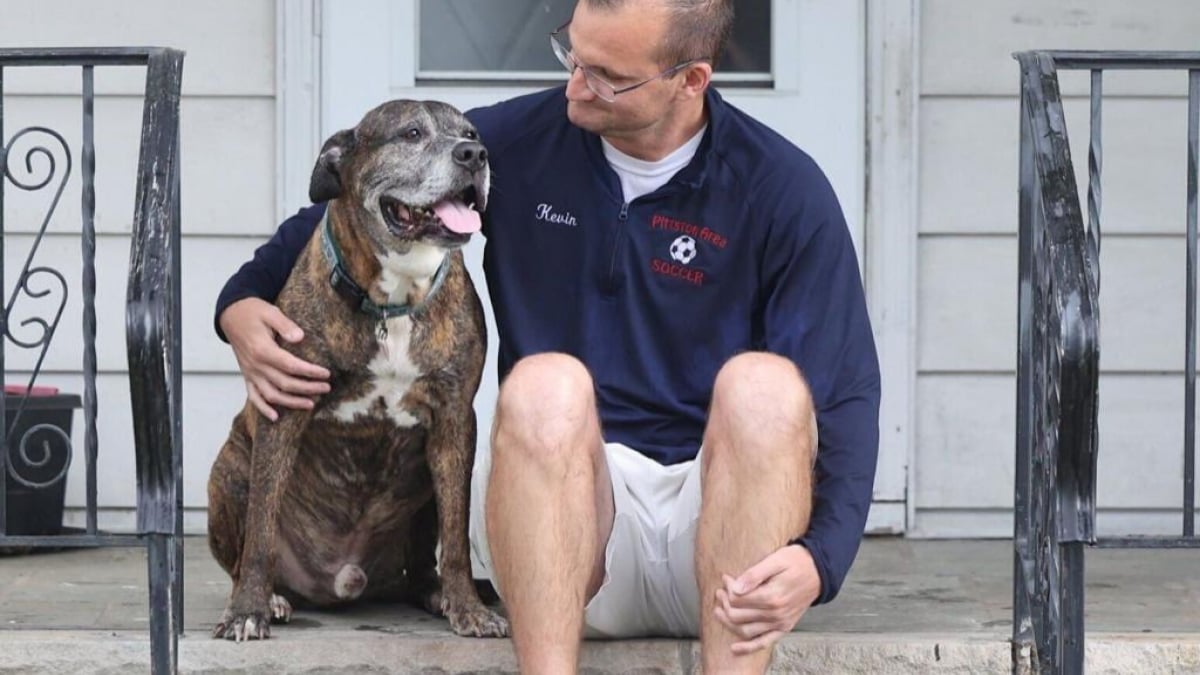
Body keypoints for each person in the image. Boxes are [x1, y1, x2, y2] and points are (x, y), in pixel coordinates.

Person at [214, 0, 880, 672]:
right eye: (571, 54)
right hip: (565, 521)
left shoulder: (781, 187)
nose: (574, 86)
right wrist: (239, 304)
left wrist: (821, 557)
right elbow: (348, 205)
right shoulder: (522, 143)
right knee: (543, 384)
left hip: (720, 532)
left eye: (605, 75)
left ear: (691, 80)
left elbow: (846, 387)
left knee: (764, 386)